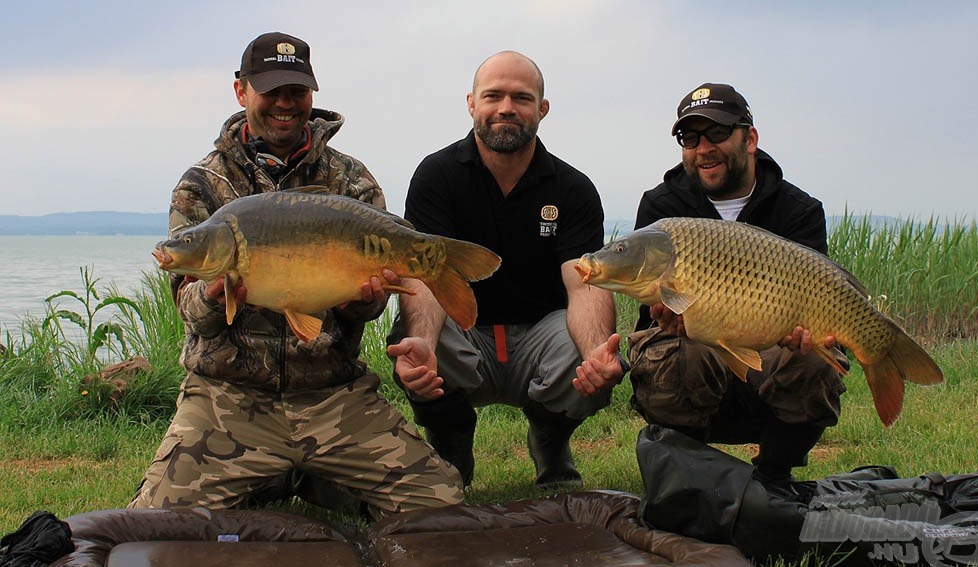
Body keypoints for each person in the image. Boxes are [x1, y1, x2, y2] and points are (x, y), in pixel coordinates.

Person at [129, 32, 464, 515]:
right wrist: (212, 293)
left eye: (297, 92)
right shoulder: (202, 185)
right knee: (154, 526)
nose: (285, 104)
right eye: (271, 91)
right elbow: (190, 313)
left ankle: (303, 474)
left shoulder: (352, 181)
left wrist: (364, 298)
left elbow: (368, 309)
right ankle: (275, 474)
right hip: (228, 398)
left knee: (441, 503)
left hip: (332, 395)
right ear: (241, 91)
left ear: (311, 94)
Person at [385, 51, 626, 489]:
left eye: (521, 97)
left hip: (541, 336)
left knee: (587, 352)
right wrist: (419, 340)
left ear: (542, 109)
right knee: (417, 342)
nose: (506, 108)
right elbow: (423, 275)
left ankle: (550, 441)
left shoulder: (573, 188)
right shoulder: (436, 176)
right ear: (471, 103)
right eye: (493, 95)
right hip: (466, 335)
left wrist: (595, 354)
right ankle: (452, 449)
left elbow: (583, 280)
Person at [628, 83, 848, 488]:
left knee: (815, 362)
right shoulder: (662, 207)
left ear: (750, 138)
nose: (703, 148)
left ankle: (773, 479)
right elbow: (650, 313)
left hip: (769, 355)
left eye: (717, 133)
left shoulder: (798, 210)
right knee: (677, 357)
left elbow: (819, 298)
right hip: (694, 355)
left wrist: (802, 339)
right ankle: (689, 481)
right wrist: (668, 320)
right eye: (690, 138)